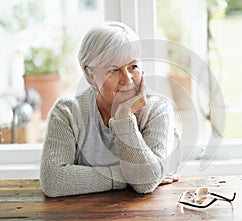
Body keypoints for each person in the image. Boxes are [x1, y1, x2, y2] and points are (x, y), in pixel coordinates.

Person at [40, 21, 178, 197]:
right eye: (114, 70)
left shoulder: (158, 110)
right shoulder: (67, 111)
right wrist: (132, 176)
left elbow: (144, 185)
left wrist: (123, 119)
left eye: (133, 67)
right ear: (90, 74)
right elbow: (54, 181)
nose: (127, 80)